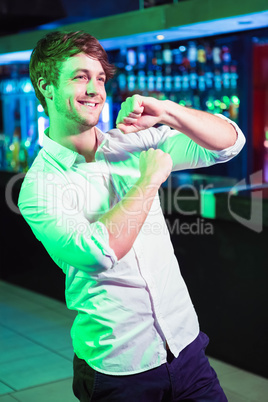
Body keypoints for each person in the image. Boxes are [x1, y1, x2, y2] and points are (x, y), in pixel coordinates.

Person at [18, 31, 245, 401]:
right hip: (120, 370)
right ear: (45, 86)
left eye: (100, 79)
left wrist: (167, 111)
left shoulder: (131, 143)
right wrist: (149, 180)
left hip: (186, 349)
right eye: (79, 77)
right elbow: (98, 252)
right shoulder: (39, 185)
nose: (94, 89)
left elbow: (229, 144)